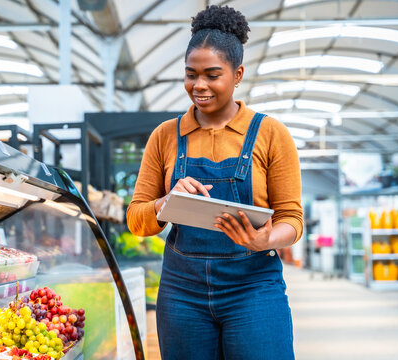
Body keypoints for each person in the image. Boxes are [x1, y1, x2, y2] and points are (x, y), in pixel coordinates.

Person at [126, 5, 303, 360]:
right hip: (182, 290)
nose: (199, 85)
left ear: (237, 74)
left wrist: (265, 238)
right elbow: (135, 219)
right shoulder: (165, 137)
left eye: (212, 74)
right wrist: (165, 204)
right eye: (191, 74)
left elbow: (293, 220)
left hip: (253, 286)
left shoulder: (270, 133)